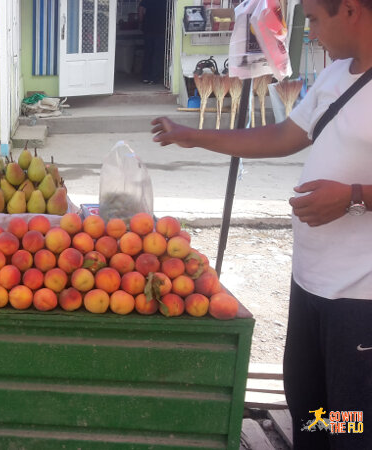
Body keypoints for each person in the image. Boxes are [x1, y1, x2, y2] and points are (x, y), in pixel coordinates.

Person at [151, 0, 372, 447]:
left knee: (353, 420)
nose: (308, 32)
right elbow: (282, 136)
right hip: (310, 283)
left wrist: (355, 197)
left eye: (312, 18)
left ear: (349, 10)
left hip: (360, 299)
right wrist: (193, 135)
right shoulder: (335, 77)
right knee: (310, 407)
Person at [138, 0, 167, 84]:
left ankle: (145, 76)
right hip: (160, 29)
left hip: (148, 28)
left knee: (148, 53)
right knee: (157, 55)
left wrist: (141, 22)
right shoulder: (166, 2)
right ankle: (154, 78)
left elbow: (140, 10)